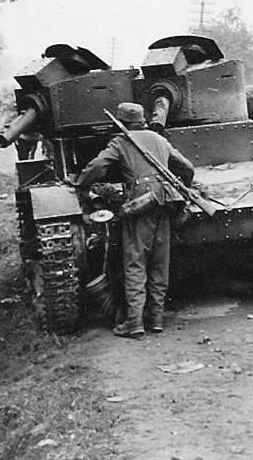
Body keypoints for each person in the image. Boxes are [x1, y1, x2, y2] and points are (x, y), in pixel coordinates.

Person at [74, 102, 195, 338]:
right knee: (160, 261)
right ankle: (156, 319)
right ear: (142, 120)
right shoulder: (158, 139)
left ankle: (134, 322)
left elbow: (98, 166)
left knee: (135, 262)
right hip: (166, 199)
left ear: (120, 122)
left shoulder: (121, 141)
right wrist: (185, 190)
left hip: (140, 203)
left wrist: (81, 183)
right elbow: (187, 167)